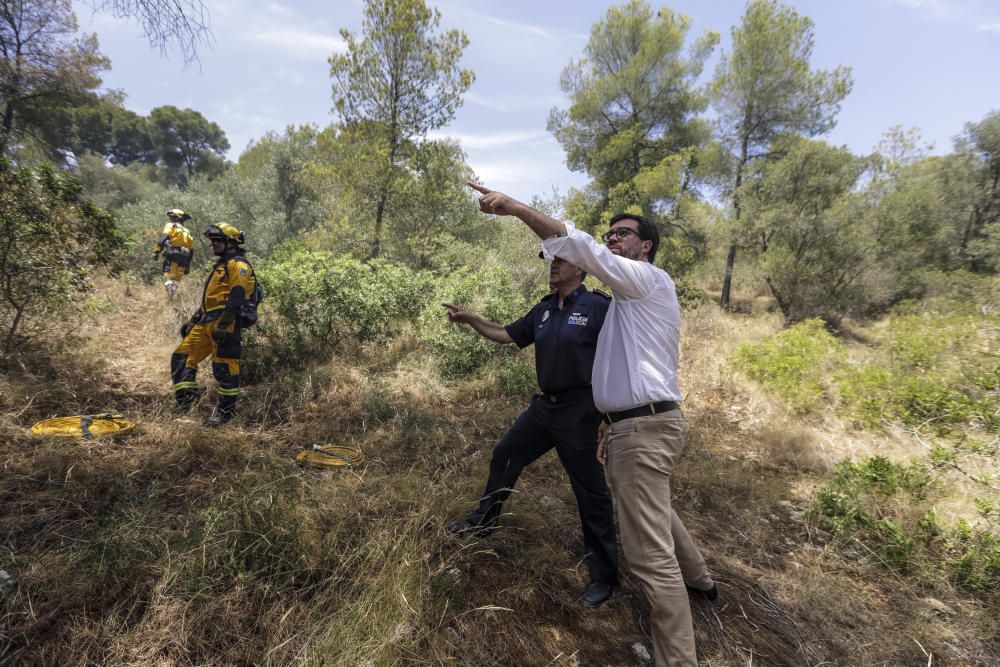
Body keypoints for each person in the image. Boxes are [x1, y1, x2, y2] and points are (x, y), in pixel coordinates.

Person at [468, 182, 716, 667]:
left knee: (648, 558)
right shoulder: (625, 302)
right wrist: (610, 417)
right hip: (628, 423)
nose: (613, 238)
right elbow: (619, 366)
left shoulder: (645, 280)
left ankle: (678, 658)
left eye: (622, 234)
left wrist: (516, 206)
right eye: (611, 233)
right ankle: (701, 579)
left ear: (644, 246)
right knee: (652, 504)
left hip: (641, 427)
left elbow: (577, 245)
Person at [443, 254, 618, 608]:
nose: (553, 265)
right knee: (506, 455)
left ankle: (604, 576)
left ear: (581, 268)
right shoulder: (544, 309)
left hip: (582, 411)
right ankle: (483, 523)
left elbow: (618, 360)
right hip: (544, 408)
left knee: (591, 493)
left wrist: (609, 416)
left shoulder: (599, 307)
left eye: (561, 260)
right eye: (551, 260)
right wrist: (471, 319)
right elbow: (506, 334)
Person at [172, 223, 256, 427]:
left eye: (217, 241)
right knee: (181, 357)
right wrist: (193, 321)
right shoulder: (221, 266)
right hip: (205, 323)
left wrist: (223, 325)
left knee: (225, 369)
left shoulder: (239, 265)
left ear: (231, 242)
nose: (214, 245)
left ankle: (225, 414)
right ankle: (186, 404)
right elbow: (211, 301)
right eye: (212, 241)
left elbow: (235, 299)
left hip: (225, 324)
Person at [153, 209, 195, 296]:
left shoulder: (171, 225)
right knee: (176, 279)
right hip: (185, 257)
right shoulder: (187, 231)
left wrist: (156, 251)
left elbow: (163, 238)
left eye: (172, 217)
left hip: (173, 253)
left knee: (168, 275)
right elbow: (191, 250)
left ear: (176, 218)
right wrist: (188, 266)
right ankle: (172, 298)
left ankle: (170, 293)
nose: (170, 219)